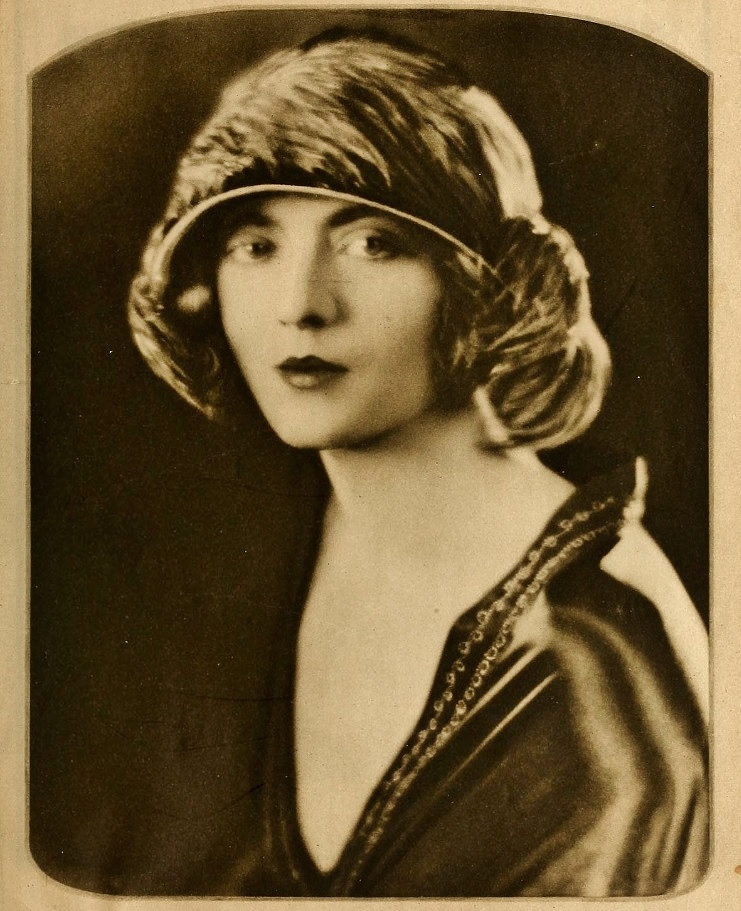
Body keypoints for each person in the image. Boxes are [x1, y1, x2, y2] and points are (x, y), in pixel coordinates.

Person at [125, 27, 708, 897]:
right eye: (256, 245)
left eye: (372, 243)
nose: (300, 306)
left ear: (483, 287)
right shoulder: (282, 544)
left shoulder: (595, 656)